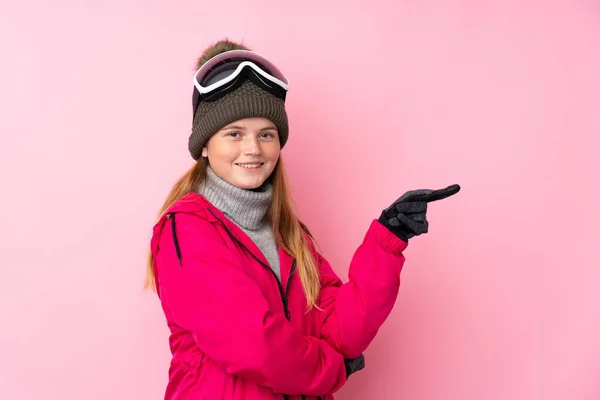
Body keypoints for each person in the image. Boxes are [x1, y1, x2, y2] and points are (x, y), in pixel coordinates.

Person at [146, 38, 460, 400]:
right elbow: (251, 343)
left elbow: (340, 330)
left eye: (267, 134)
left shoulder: (289, 234)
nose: (253, 148)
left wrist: (387, 241)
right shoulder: (186, 229)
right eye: (234, 134)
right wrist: (330, 371)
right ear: (204, 144)